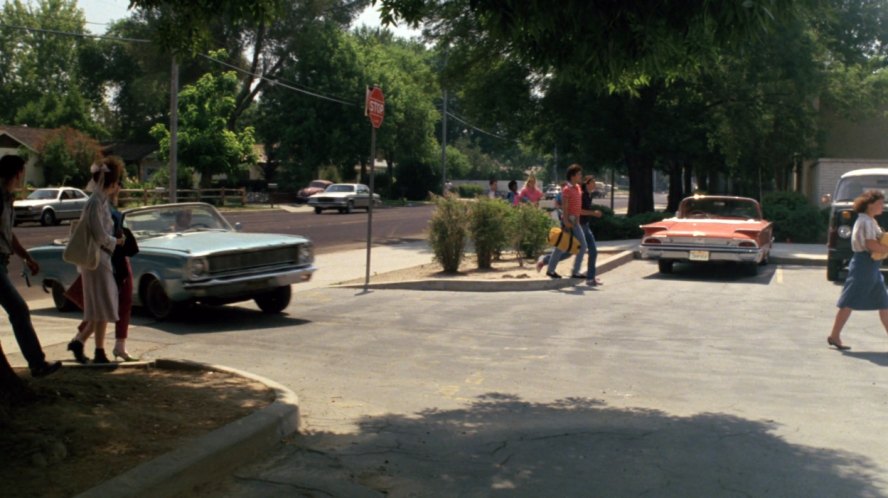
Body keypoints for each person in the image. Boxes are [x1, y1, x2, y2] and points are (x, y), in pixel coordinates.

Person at [0, 155, 61, 377]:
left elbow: (8, 234)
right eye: (22, 172)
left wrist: (26, 257)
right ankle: (37, 363)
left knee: (17, 310)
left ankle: (37, 362)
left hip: (3, 261)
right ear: (17, 173)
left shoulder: (7, 198)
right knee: (18, 309)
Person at [66, 178, 137, 361]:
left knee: (103, 305)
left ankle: (84, 343)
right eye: (116, 183)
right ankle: (98, 350)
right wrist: (117, 241)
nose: (118, 187)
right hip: (101, 258)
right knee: (104, 305)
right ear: (110, 183)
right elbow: (100, 234)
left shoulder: (103, 203)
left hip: (107, 257)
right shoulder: (96, 203)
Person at [828, 190, 888, 350]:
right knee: (849, 300)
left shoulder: (869, 220)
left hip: (871, 266)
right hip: (864, 265)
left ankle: (834, 335)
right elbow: (870, 245)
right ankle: (834, 335)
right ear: (870, 205)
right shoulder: (866, 222)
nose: (883, 205)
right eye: (880, 203)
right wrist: (886, 248)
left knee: (884, 302)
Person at [545, 164, 588, 280]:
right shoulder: (567, 189)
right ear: (572, 176)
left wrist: (577, 218)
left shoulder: (577, 188)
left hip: (575, 220)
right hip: (569, 220)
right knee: (581, 246)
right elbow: (565, 206)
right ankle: (575, 272)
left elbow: (577, 206)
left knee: (561, 246)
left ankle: (551, 270)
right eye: (579, 174)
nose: (581, 176)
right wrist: (566, 221)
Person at [580, 176, 604, 286]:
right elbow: (579, 211)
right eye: (593, 182)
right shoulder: (582, 194)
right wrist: (593, 213)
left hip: (585, 225)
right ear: (587, 183)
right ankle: (546, 260)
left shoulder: (589, 195)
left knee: (593, 251)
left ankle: (590, 278)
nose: (595, 185)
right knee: (567, 251)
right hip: (580, 226)